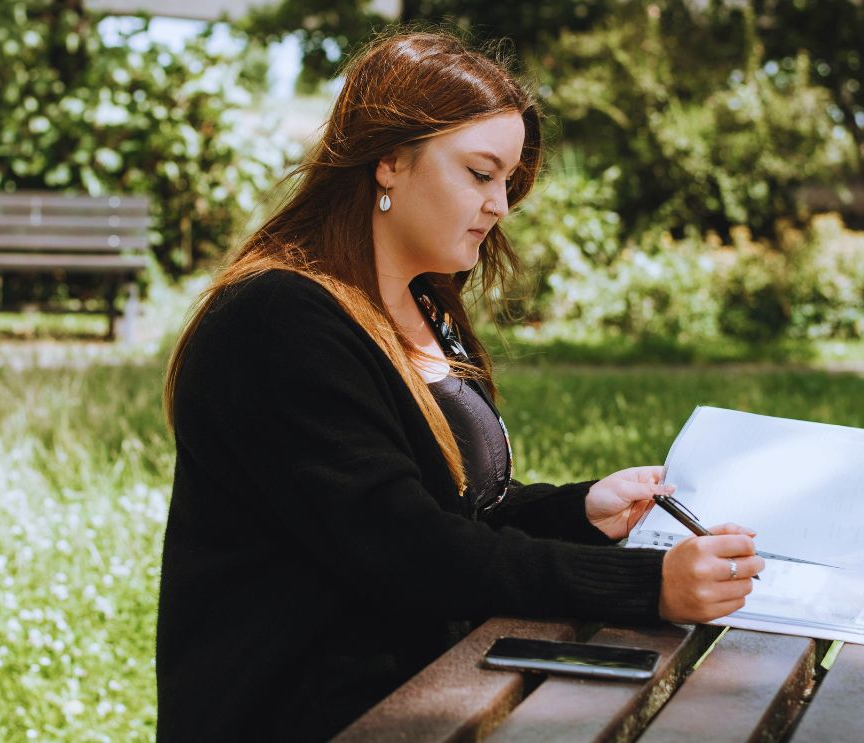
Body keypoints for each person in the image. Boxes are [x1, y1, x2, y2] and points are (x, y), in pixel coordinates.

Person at [156, 29, 763, 741]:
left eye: (507, 180)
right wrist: (647, 585)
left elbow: (451, 511)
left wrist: (580, 510)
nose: (500, 205)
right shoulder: (277, 321)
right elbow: (405, 549)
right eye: (479, 173)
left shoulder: (421, 305)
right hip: (313, 713)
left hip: (442, 686)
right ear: (388, 160)